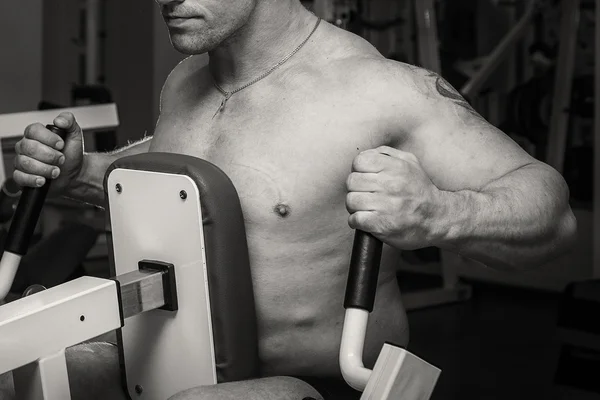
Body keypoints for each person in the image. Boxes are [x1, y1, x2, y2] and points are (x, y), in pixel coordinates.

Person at [3, 0, 577, 399]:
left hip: (314, 387)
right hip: (167, 363)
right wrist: (82, 174)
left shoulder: (377, 90)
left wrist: (438, 213)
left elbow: (552, 214)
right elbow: (224, 178)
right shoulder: (186, 81)